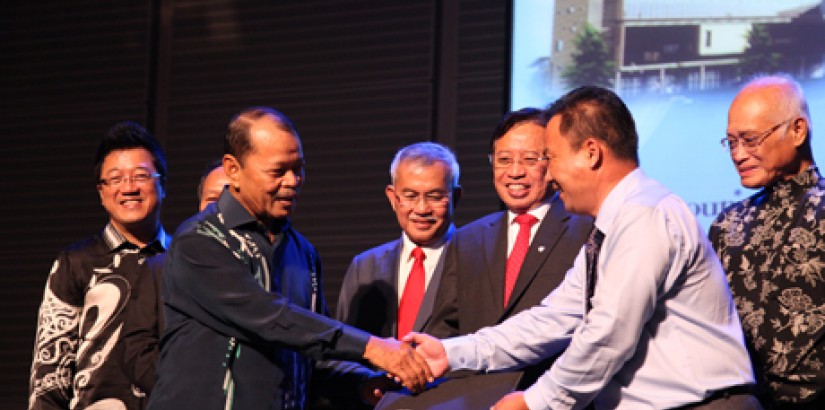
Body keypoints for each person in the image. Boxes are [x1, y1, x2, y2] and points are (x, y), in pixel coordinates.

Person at [408, 86, 760, 410]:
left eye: (551, 157)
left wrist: (536, 402)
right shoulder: (613, 225)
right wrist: (451, 353)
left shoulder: (644, 216)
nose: (550, 173)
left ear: (591, 153)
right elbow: (554, 318)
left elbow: (608, 333)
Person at [147, 107, 431, 410]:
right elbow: (268, 317)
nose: (293, 181)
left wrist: (363, 384)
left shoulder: (303, 252)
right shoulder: (200, 240)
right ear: (233, 169)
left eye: (298, 168)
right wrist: (372, 347)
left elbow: (312, 353)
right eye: (278, 171)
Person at [424, 108, 592, 386]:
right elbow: (446, 326)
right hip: (477, 398)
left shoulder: (585, 228)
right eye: (503, 160)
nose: (515, 172)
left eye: (529, 159)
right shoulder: (468, 239)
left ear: (551, 162)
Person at [29, 122, 171, 409]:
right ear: (101, 192)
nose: (129, 188)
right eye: (115, 179)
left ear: (162, 184)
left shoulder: (185, 261)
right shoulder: (76, 263)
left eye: (141, 176)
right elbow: (49, 374)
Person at [709, 75, 825, 409]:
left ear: (798, 131)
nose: (738, 154)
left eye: (750, 139)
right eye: (731, 142)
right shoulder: (727, 224)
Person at [322, 142, 461, 408]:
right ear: (392, 197)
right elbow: (339, 354)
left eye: (434, 196)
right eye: (410, 195)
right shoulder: (365, 266)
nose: (421, 209)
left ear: (456, 196)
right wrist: (365, 383)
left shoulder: (476, 260)